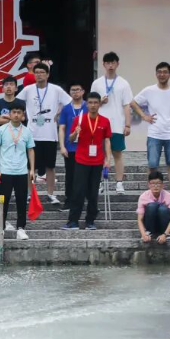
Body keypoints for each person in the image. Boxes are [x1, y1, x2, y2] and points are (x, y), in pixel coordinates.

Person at [131, 62, 170, 202]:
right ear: (156, 74)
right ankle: (152, 194)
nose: (162, 74)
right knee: (152, 165)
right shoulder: (149, 90)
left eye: (165, 72)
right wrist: (144, 116)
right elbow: (133, 102)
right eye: (159, 72)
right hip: (154, 133)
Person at [17, 62, 71, 204]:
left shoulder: (56, 89)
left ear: (48, 75)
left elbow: (69, 103)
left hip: (50, 134)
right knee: (30, 167)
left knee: (50, 166)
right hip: (32, 134)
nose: (39, 75)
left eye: (42, 72)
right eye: (37, 72)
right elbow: (17, 103)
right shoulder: (28, 89)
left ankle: (51, 194)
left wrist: (59, 112)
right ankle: (30, 194)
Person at [62, 92, 112, 230]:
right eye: (90, 103)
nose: (93, 105)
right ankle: (73, 221)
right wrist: (75, 133)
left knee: (93, 192)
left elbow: (107, 141)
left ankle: (90, 221)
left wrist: (108, 159)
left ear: (99, 104)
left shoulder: (105, 121)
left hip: (97, 161)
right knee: (78, 191)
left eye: (95, 102)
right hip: (81, 160)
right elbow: (70, 139)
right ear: (86, 104)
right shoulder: (79, 119)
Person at [91, 52, 133, 195]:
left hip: (117, 124)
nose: (110, 65)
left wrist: (127, 125)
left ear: (117, 64)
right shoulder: (97, 83)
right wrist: (100, 102)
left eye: (113, 63)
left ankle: (119, 183)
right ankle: (100, 182)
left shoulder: (123, 83)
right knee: (99, 154)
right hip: (99, 124)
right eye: (108, 63)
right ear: (103, 64)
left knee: (117, 153)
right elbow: (91, 104)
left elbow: (127, 105)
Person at [0, 103, 35, 239]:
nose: (16, 115)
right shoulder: (1, 130)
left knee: (21, 201)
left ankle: (21, 228)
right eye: (14, 112)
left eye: (19, 112)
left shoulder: (27, 131)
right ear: (9, 114)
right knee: (2, 201)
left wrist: (32, 169)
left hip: (21, 172)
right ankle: (0, 227)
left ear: (23, 115)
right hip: (5, 171)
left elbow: (30, 150)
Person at [58, 83, 87, 211]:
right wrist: (62, 146)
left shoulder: (88, 106)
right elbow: (62, 128)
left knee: (84, 176)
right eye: (73, 90)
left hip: (85, 147)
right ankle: (69, 200)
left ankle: (82, 200)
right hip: (70, 148)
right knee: (70, 176)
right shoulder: (66, 109)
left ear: (83, 91)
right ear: (69, 92)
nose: (75, 92)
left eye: (78, 90)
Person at [137, 171, 170, 244]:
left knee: (163, 209)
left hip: (163, 226)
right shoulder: (143, 196)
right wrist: (143, 234)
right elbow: (139, 219)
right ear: (149, 184)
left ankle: (165, 233)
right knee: (152, 206)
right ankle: (149, 232)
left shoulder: (168, 196)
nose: (155, 186)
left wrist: (165, 234)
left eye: (158, 183)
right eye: (153, 183)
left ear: (162, 185)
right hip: (150, 224)